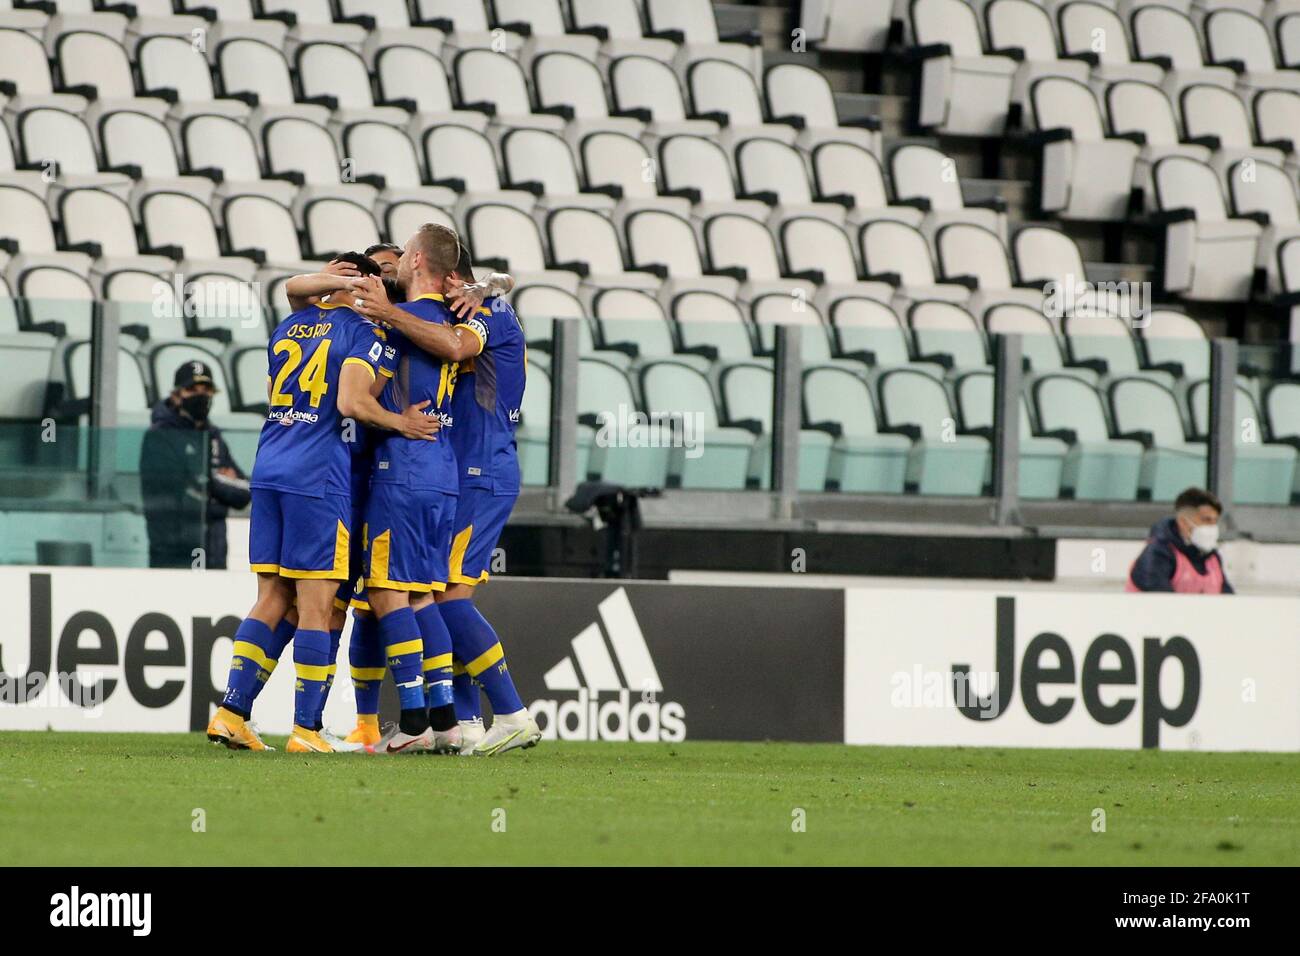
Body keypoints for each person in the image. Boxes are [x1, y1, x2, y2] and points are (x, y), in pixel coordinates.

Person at [205, 252, 439, 753]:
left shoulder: (289, 326)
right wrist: (403, 422)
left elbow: (293, 292)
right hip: (319, 476)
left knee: (271, 597)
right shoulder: (362, 333)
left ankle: (230, 712)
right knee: (318, 607)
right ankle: (306, 729)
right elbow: (352, 404)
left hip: (269, 467)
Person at [354, 234, 540, 756]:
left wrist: (490, 287)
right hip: (457, 471)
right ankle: (464, 722)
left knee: (447, 599)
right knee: (437, 596)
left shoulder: (489, 312)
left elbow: (457, 344)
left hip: (481, 470)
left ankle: (511, 711)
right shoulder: (465, 302)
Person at [140, 361, 250, 569]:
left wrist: (209, 482)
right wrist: (220, 481)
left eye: (207, 390)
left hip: (215, 547)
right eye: (192, 390)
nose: (202, 396)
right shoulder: (160, 436)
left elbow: (244, 492)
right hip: (172, 548)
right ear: (176, 395)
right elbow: (183, 489)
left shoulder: (214, 435)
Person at [1126, 487, 1234, 594]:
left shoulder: (1212, 557)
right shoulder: (1157, 554)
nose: (1212, 527)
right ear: (1183, 522)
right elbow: (1160, 603)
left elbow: (1230, 602)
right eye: (1206, 520)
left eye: (1215, 521)